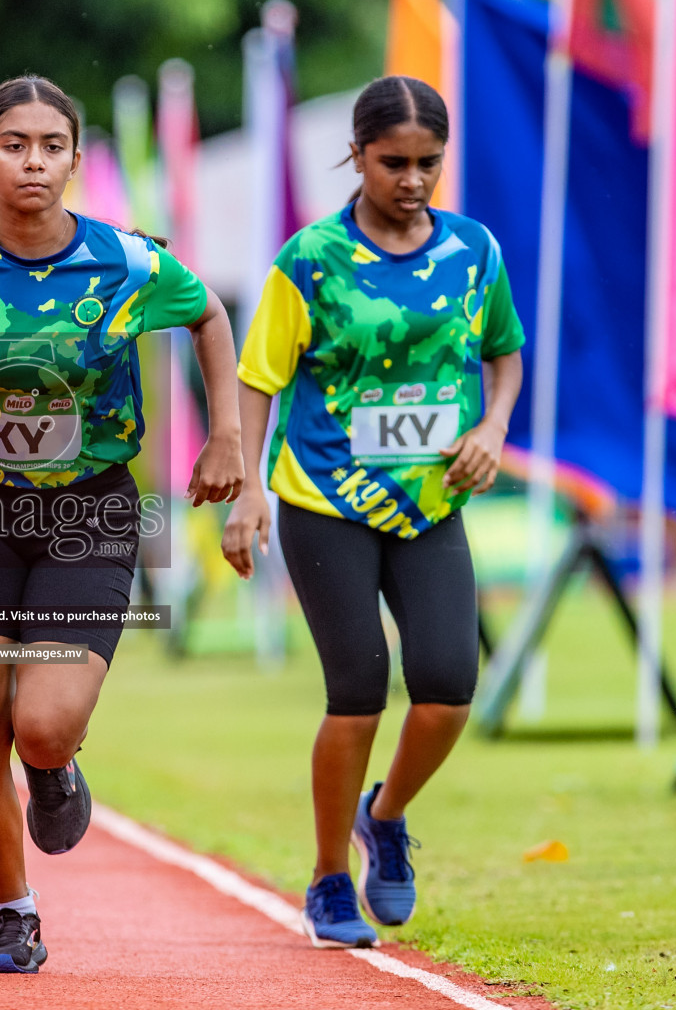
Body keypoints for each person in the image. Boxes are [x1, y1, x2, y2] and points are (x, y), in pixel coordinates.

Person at [0, 75, 244, 974]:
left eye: (52, 146)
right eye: (14, 145)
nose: (34, 162)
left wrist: (227, 437)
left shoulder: (129, 264)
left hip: (91, 510)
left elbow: (211, 316)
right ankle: (13, 911)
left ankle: (57, 768)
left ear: (74, 156)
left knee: (42, 725)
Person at [223, 76, 525, 949]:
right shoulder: (308, 260)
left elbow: (503, 353)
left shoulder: (475, 251)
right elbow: (258, 379)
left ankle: (383, 818)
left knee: (447, 689)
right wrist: (248, 490)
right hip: (326, 498)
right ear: (356, 155)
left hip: (432, 503)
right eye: (395, 162)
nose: (414, 179)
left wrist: (494, 427)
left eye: (430, 162)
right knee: (357, 690)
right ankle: (326, 879)